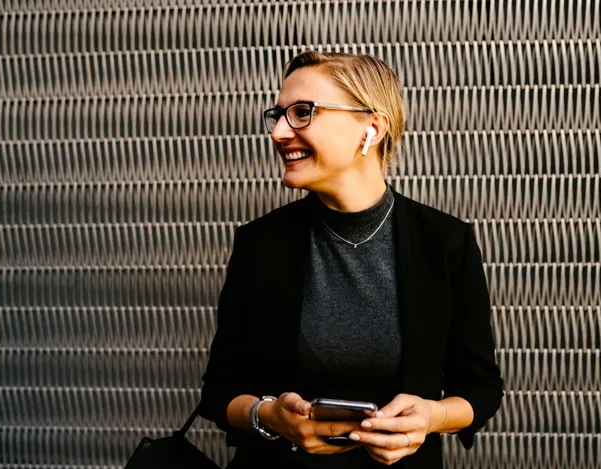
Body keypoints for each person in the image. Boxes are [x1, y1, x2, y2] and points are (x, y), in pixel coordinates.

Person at [198, 50, 504, 468]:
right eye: (280, 114)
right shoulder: (261, 243)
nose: (279, 133)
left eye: (303, 112)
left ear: (372, 128)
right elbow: (219, 393)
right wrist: (271, 416)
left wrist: (432, 417)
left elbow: (481, 389)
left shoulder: (445, 241)